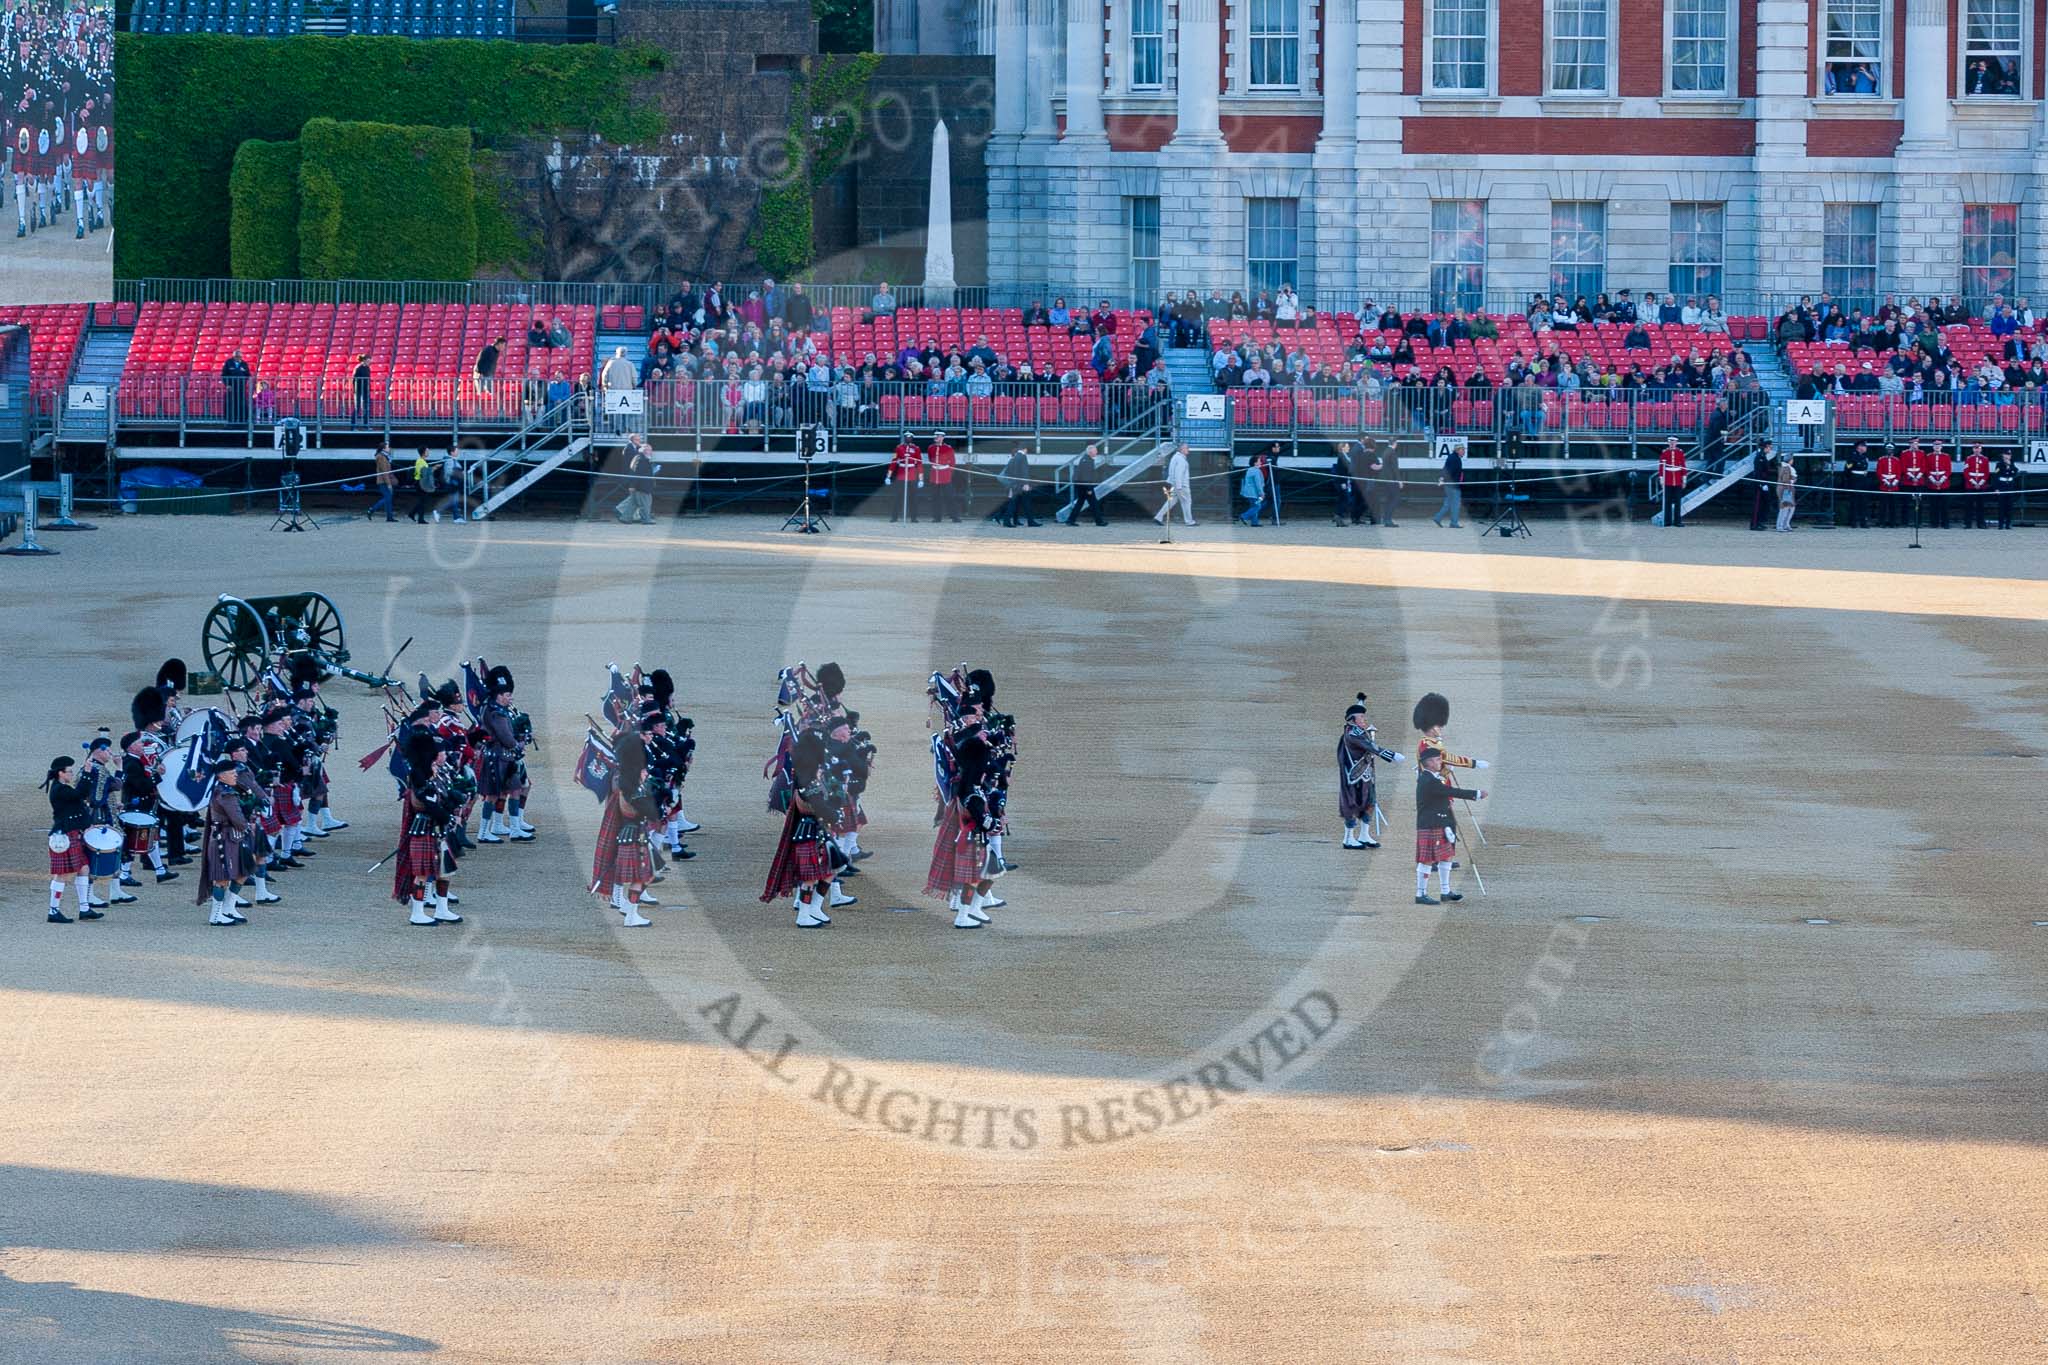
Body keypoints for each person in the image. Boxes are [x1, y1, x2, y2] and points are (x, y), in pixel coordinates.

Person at [763, 731, 839, 928]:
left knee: (834, 867)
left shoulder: (813, 777)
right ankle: (803, 915)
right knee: (810, 877)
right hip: (808, 832)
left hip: (818, 831)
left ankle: (815, 908)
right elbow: (812, 805)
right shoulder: (806, 780)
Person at [594, 731, 657, 928]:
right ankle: (630, 914)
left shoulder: (627, 782)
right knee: (641, 877)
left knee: (644, 876)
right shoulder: (632, 787)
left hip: (632, 834)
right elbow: (648, 812)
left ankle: (629, 911)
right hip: (633, 835)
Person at [1414, 746, 1486, 905]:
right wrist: (1476, 794)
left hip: (1443, 822)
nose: (1441, 762)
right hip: (1431, 823)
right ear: (1430, 762)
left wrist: (1446, 772)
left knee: (1447, 855)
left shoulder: (1432, 777)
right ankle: (1420, 894)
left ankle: (1445, 891)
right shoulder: (1427, 779)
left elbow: (1442, 784)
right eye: (1438, 759)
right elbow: (1449, 791)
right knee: (1426, 860)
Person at [477, 664, 535, 843]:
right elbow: (505, 737)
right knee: (494, 795)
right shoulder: (496, 713)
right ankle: (484, 831)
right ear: (499, 695)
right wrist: (518, 745)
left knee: (515, 788)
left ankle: (515, 828)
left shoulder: (496, 709)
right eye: (507, 694)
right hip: (499, 757)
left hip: (504, 757)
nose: (510, 697)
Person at [1337, 694, 1403, 849]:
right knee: (1352, 805)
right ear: (1352, 720)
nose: (1364, 719)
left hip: (1366, 775)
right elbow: (1371, 747)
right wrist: (1392, 755)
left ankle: (1364, 834)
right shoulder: (1353, 734)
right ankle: (1348, 838)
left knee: (1370, 803)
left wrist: (1361, 703)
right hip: (1354, 777)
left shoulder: (1359, 731)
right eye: (1361, 717)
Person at [193, 757, 253, 927]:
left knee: (242, 873)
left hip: (233, 837)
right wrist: (248, 826)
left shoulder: (228, 791)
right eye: (231, 773)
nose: (235, 775)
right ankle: (216, 914)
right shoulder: (225, 794)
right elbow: (238, 819)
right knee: (222, 877)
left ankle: (228, 907)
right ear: (221, 776)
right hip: (224, 838)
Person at [42, 756, 99, 923]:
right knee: (62, 875)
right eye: (69, 771)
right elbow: (80, 794)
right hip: (64, 835)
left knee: (84, 869)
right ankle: (53, 911)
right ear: (61, 773)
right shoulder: (60, 789)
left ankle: (84, 908)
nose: (72, 774)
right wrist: (87, 774)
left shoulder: (62, 787)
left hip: (72, 833)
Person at [615, 434, 654, 524]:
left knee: (633, 503)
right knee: (645, 503)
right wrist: (632, 485)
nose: (651, 452)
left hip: (639, 485)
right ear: (645, 451)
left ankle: (625, 518)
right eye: (649, 450)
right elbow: (637, 473)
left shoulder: (640, 458)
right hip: (642, 486)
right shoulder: (641, 459)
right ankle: (646, 520)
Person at [1155, 442, 1195, 526]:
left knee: (1171, 502)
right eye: (1186, 448)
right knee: (1186, 502)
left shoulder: (1176, 457)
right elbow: (1178, 474)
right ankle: (1189, 521)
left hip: (1176, 484)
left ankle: (1158, 517)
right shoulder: (1180, 459)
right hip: (1182, 486)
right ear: (1182, 449)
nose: (1188, 449)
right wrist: (1179, 487)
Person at [887, 432, 925, 522]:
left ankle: (914, 517)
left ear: (912, 438)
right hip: (901, 474)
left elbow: (919, 464)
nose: (908, 439)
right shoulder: (899, 448)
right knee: (898, 497)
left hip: (912, 475)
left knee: (913, 498)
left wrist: (921, 479)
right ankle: (894, 517)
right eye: (906, 437)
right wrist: (888, 476)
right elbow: (893, 462)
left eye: (910, 437)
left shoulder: (916, 448)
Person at [998, 446, 1040, 527]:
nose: (1027, 452)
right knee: (1017, 503)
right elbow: (1025, 471)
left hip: (1015, 484)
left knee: (1020, 502)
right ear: (1025, 449)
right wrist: (1026, 483)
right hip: (1020, 485)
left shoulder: (1013, 458)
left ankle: (1029, 521)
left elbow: (1007, 471)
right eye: (1027, 450)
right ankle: (1008, 521)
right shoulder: (1023, 457)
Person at [1069, 444, 1108, 526]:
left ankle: (1070, 520)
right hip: (1085, 485)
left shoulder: (1085, 459)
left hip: (1081, 485)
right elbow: (1086, 476)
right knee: (1094, 503)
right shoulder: (1088, 461)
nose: (1096, 452)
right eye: (1095, 451)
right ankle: (1099, 521)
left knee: (1080, 503)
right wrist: (1089, 489)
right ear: (1090, 452)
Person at [926, 431, 960, 521]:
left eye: (938, 436)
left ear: (942, 437)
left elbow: (952, 462)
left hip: (945, 475)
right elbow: (930, 459)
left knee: (950, 497)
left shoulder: (948, 448)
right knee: (935, 497)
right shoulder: (931, 448)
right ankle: (937, 517)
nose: (936, 437)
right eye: (935, 436)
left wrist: (949, 473)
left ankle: (954, 517)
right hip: (934, 475)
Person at [1367, 442, 1400, 527]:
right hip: (1391, 480)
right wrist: (1399, 480)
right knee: (1395, 499)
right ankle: (1388, 519)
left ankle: (1386, 519)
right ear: (1395, 443)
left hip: (1385, 480)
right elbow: (1395, 468)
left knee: (1389, 499)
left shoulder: (1385, 451)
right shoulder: (1392, 452)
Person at [1433, 441, 1463, 528]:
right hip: (1453, 485)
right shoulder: (1455, 459)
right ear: (1458, 450)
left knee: (1448, 503)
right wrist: (1442, 479)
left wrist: (1441, 478)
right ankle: (1453, 522)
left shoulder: (1452, 457)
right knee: (1456, 504)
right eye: (1462, 449)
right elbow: (1449, 471)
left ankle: (1438, 518)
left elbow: (1445, 469)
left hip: (1450, 485)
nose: (1464, 451)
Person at [1659, 437, 1686, 526]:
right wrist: (1662, 480)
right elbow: (1661, 467)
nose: (1672, 443)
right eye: (1671, 442)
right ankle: (1667, 521)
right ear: (1668, 443)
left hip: (1678, 480)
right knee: (1667, 501)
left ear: (1676, 443)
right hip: (1668, 480)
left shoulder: (1680, 452)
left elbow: (1683, 466)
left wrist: (1684, 479)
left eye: (1674, 442)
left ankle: (1677, 521)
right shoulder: (1665, 452)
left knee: (1678, 502)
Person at [1962, 444, 1992, 528]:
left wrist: (1980, 483)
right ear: (1972, 449)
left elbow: (1986, 473)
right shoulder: (1968, 459)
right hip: (1970, 485)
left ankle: (1980, 523)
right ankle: (1968, 523)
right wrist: (1973, 483)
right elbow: (1966, 472)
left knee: (1981, 505)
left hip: (1981, 485)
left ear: (1981, 449)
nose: (1977, 450)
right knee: (1969, 505)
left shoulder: (1985, 459)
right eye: (1975, 448)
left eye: (1978, 448)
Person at [1924, 442, 1952, 528]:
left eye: (1939, 446)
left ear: (1941, 447)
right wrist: (1933, 480)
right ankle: (1934, 523)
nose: (1937, 447)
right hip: (1932, 484)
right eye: (1935, 446)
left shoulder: (1946, 456)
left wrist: (1941, 480)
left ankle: (1945, 523)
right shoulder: (1928, 456)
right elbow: (1926, 469)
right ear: (1933, 447)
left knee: (1945, 505)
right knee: (1933, 505)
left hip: (1944, 484)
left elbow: (1948, 470)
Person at [221, 350, 251, 425]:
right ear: (234, 356)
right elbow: (224, 374)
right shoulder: (228, 363)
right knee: (231, 402)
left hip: (241, 387)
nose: (238, 358)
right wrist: (227, 385)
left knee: (241, 402)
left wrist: (245, 382)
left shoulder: (244, 364)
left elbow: (248, 374)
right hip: (231, 387)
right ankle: (230, 419)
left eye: (240, 357)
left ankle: (242, 419)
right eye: (237, 357)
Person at [1238, 452, 1268, 527]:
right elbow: (1258, 484)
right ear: (1255, 463)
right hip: (1254, 493)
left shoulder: (1250, 470)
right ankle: (1243, 516)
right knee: (1257, 506)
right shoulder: (1256, 471)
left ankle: (1254, 522)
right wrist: (1262, 493)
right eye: (1259, 461)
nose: (1261, 462)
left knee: (1254, 506)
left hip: (1249, 493)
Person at [407, 447, 436, 524]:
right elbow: (423, 473)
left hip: (422, 482)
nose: (428, 452)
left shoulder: (423, 461)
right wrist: (434, 468)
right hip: (420, 483)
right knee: (423, 501)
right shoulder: (420, 461)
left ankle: (413, 514)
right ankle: (419, 518)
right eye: (427, 451)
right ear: (423, 452)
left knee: (422, 501)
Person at [369, 444, 397, 522]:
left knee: (389, 498)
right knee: (387, 498)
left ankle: (389, 517)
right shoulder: (381, 457)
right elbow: (385, 472)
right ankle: (372, 509)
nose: (389, 448)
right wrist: (389, 484)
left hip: (385, 480)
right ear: (383, 449)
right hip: (383, 481)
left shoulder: (384, 457)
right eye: (388, 447)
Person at [1993, 450, 2019, 528]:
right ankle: (2001, 524)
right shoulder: (1999, 464)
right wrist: (1996, 488)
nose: (2008, 456)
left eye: (2009, 455)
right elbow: (1996, 476)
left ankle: (2008, 524)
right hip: (2002, 486)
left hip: (2010, 487)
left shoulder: (2012, 463)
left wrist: (2010, 466)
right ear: (2003, 455)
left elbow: (2015, 472)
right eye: (2006, 454)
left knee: (2009, 506)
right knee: (2001, 506)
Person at [1775, 453, 1797, 531]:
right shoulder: (1786, 467)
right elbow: (1785, 480)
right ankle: (1780, 525)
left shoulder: (1783, 466)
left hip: (1786, 488)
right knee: (1784, 507)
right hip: (1785, 488)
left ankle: (1785, 524)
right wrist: (1791, 481)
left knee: (1791, 506)